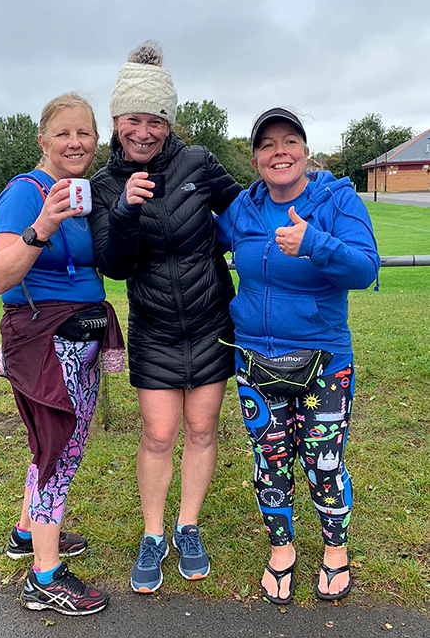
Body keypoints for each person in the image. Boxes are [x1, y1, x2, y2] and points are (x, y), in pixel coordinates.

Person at [90, 41, 242, 593]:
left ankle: (188, 525)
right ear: (116, 120)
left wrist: (307, 194)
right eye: (134, 118)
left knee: (202, 430)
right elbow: (112, 262)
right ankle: (153, 533)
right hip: (153, 329)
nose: (145, 131)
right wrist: (125, 208)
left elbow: (246, 209)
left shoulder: (199, 163)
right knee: (158, 435)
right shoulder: (105, 184)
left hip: (209, 324)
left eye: (156, 120)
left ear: (169, 121)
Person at [215, 107, 380, 604]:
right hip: (255, 361)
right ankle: (281, 550)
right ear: (255, 159)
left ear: (306, 152)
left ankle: (334, 552)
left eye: (289, 141)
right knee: (270, 462)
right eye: (267, 145)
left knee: (324, 462)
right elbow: (199, 242)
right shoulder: (243, 210)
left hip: (324, 359)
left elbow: (365, 268)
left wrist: (315, 243)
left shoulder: (337, 200)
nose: (279, 151)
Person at [0, 92, 123, 615]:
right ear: (43, 139)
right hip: (46, 341)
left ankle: (28, 533)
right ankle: (44, 578)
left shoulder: (82, 193)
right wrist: (42, 225)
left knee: (53, 442)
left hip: (77, 338)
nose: (75, 142)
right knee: (58, 452)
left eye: (84, 133)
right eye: (63, 133)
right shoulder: (26, 192)